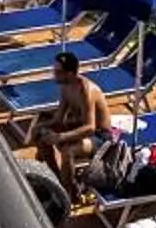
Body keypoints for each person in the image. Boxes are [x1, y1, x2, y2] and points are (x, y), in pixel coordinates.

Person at [34, 50, 109, 202]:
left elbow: (90, 127)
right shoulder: (65, 87)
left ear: (69, 73)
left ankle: (68, 195)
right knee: (41, 136)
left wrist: (61, 137)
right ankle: (56, 180)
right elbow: (58, 119)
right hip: (80, 128)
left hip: (100, 137)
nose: (54, 75)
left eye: (57, 72)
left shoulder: (85, 90)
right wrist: (40, 127)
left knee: (68, 150)